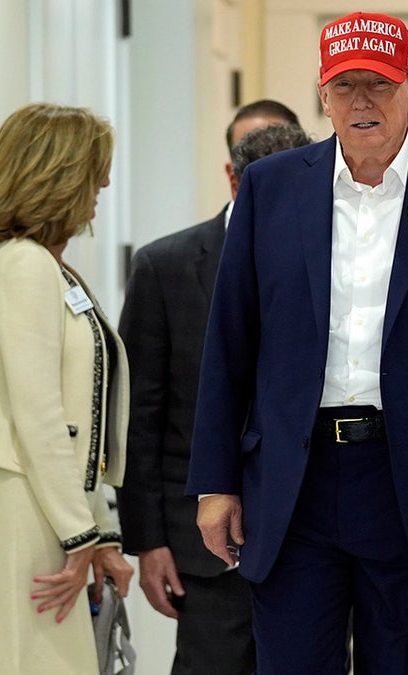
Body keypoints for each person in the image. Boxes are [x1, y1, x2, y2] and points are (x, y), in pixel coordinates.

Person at [186, 11, 408, 674]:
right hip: (295, 485)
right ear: (322, 97)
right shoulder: (272, 189)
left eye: (377, 84)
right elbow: (229, 345)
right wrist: (214, 480)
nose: (360, 101)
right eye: (343, 84)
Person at [116, 113, 308, 674]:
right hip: (200, 548)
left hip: (309, 537)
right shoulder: (165, 266)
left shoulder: (332, 265)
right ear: (235, 182)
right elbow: (140, 418)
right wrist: (147, 541)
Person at [0, 102, 133, 674]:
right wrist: (82, 535)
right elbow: (40, 416)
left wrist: (98, 535)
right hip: (23, 499)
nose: (104, 182)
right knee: (31, 663)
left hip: (45, 500)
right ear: (58, 176)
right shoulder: (25, 266)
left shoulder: (53, 269)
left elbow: (80, 421)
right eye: (94, 169)